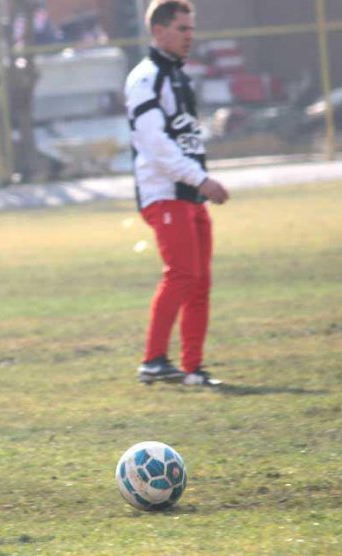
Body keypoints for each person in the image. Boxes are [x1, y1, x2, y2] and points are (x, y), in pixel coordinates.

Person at [125, 0, 229, 387]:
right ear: (159, 31)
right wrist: (200, 178)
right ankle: (153, 360)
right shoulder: (145, 77)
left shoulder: (178, 77)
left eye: (191, 28)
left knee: (199, 281)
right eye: (182, 28)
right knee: (182, 275)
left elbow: (183, 137)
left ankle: (193, 368)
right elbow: (155, 143)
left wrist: (197, 181)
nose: (190, 36)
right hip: (164, 192)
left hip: (188, 193)